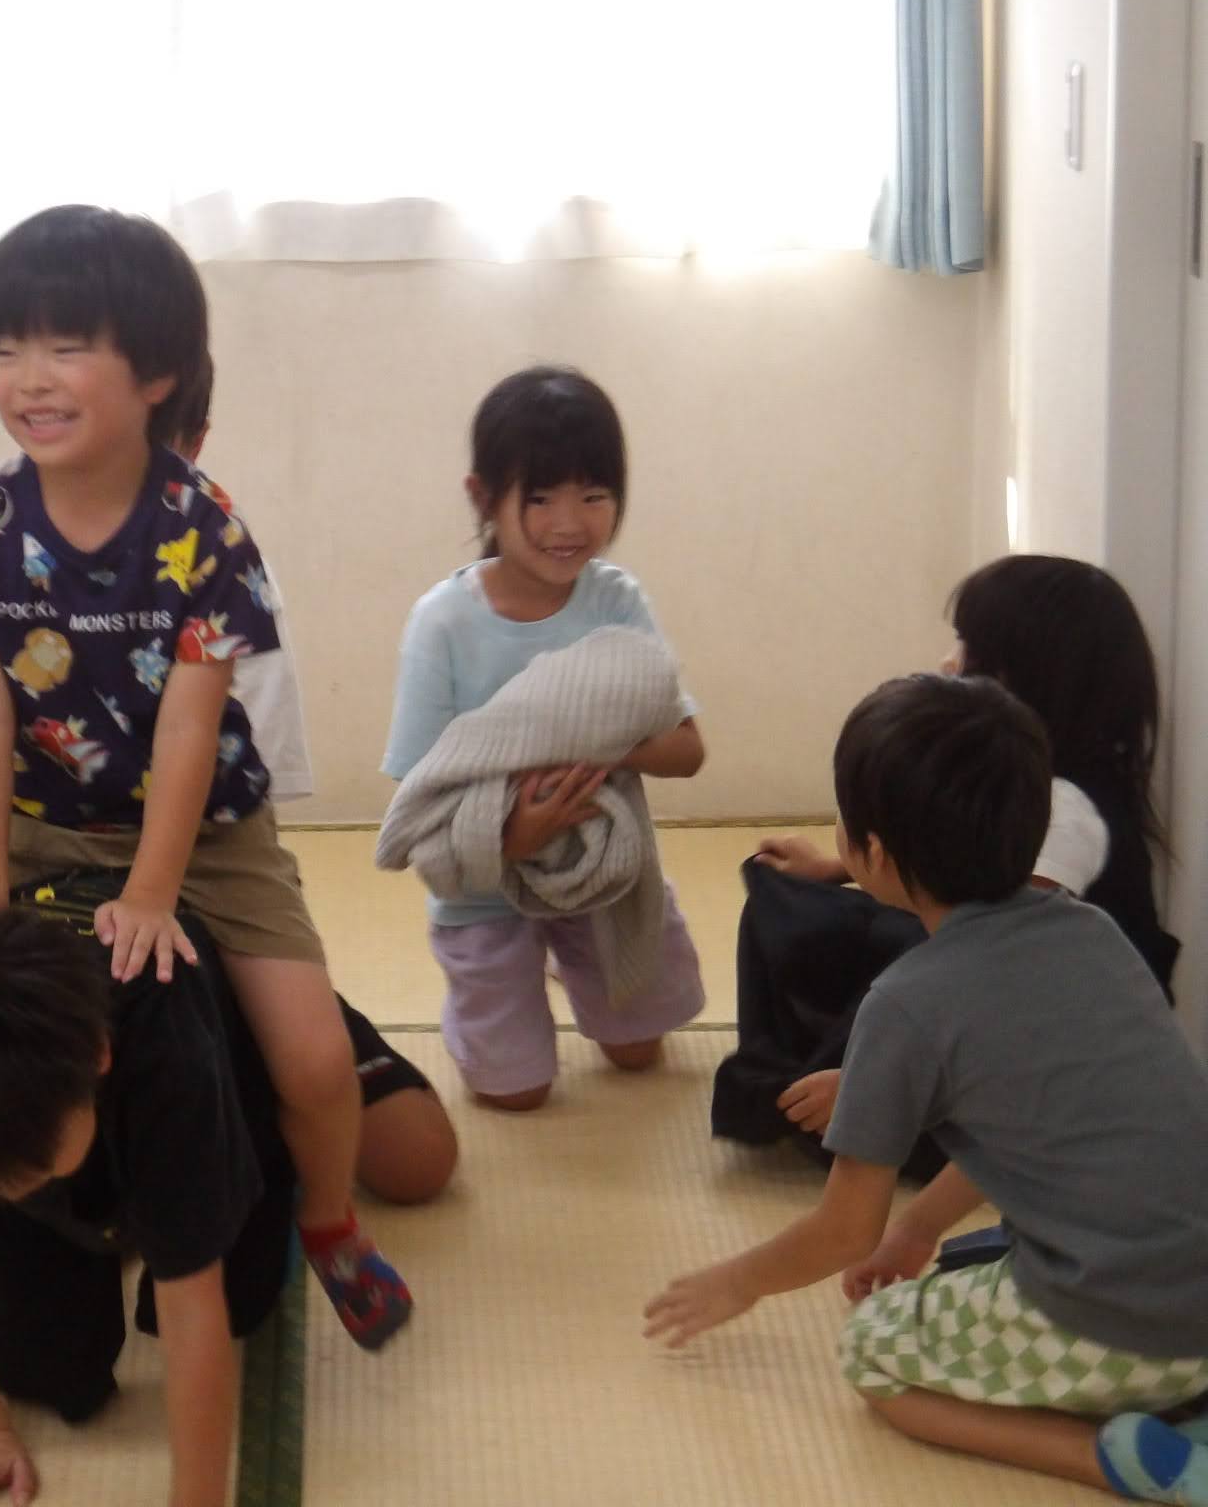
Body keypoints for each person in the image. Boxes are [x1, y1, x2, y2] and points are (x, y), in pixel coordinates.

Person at [0, 203, 410, 1348]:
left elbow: (189, 730)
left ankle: (328, 1222)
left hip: (208, 832)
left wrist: (149, 890)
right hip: (30, 823)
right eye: (4, 349)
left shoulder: (202, 525)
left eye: (65, 346)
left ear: (156, 374)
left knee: (313, 1059)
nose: (29, 378)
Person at [0, 362, 459, 1211]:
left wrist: (165, 901)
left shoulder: (215, 556)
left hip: (196, 864)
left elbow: (232, 795)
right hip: (26, 852)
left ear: (185, 441)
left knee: (396, 1146)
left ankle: (319, 1213)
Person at [646, 675, 1208, 1503]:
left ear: (871, 854)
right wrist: (917, 1229)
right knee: (995, 1257)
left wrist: (739, 1281)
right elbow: (1022, 1120)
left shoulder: (907, 1003)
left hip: (1123, 1329)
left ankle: (1109, 1458)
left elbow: (844, 1232)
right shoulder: (1093, 933)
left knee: (873, 1351)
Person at [0, 877, 379, 1507]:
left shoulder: (166, 1055)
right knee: (42, 1374)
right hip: (58, 1098)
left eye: (29, 1166)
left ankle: (310, 1019)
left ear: (98, 1057)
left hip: (214, 1060)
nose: (10, 1187)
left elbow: (190, 1303)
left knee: (238, 1302)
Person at [714, 555, 1180, 1175]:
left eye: (968, 648)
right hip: (976, 973)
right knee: (783, 903)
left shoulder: (1066, 810)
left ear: (1025, 674)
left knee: (907, 965)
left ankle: (843, 1099)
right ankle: (804, 1076)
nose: (948, 663)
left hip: (1021, 1059)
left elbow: (989, 970)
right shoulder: (1020, 771)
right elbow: (953, 867)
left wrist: (869, 1084)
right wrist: (839, 868)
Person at [379, 365, 705, 1113]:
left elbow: (688, 750)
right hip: (483, 886)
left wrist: (591, 745)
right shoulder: (443, 622)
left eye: (593, 495)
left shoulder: (615, 600)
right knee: (517, 1095)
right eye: (540, 498)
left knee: (638, 1054)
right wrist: (515, 835)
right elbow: (419, 798)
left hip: (600, 870)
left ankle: (566, 959)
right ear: (483, 497)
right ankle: (485, 1010)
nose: (569, 523)